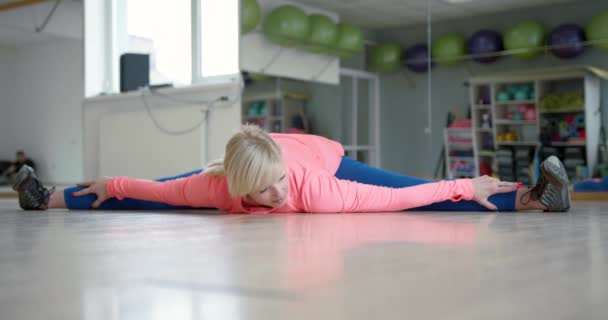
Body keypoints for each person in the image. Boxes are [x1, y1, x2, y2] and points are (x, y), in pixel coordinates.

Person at [12, 125, 570, 213]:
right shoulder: (219, 188)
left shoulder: (311, 187)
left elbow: (397, 198)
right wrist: (107, 183)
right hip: (246, 153)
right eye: (264, 191)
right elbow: (150, 190)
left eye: (278, 183)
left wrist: (464, 184)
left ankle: (535, 197)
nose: (279, 195)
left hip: (319, 152)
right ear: (238, 189)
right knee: (147, 196)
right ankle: (44, 198)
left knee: (430, 197)